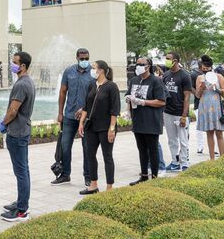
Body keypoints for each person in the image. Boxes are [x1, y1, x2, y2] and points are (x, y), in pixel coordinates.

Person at [0, 52, 36, 222]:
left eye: (14, 63)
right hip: (22, 131)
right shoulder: (28, 81)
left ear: (23, 66)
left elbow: (13, 110)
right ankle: (21, 202)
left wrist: (4, 123)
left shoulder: (22, 84)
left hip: (17, 133)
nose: (12, 65)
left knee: (21, 171)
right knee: (23, 170)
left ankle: (22, 210)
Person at [78, 60, 119, 194]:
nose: (91, 70)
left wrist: (111, 129)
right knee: (90, 154)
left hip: (105, 127)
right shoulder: (92, 85)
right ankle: (93, 185)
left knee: (107, 156)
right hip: (91, 127)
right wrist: (81, 123)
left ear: (100, 70)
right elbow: (86, 106)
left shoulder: (111, 86)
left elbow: (115, 110)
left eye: (93, 68)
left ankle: (109, 187)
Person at [53, 48, 93, 186]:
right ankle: (65, 174)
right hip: (69, 116)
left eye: (87, 58)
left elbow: (95, 95)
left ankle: (88, 176)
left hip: (86, 118)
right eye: (82, 59)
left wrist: (84, 109)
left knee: (87, 147)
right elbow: (63, 92)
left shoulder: (93, 72)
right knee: (65, 146)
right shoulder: (69, 71)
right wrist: (60, 113)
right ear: (76, 58)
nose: (84, 61)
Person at [126, 57, 166, 185]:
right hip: (138, 120)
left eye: (141, 64)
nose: (138, 66)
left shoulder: (156, 81)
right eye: (137, 64)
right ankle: (144, 176)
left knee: (152, 149)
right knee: (141, 149)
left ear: (148, 66)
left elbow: (161, 101)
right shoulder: (134, 80)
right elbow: (129, 95)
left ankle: (154, 178)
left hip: (151, 120)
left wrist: (143, 102)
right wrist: (128, 107)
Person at [162, 52, 192, 172]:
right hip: (168, 112)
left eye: (168, 59)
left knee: (183, 140)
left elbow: (187, 97)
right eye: (166, 58)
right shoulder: (166, 75)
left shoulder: (185, 75)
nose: (166, 61)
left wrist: (184, 116)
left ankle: (184, 162)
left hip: (180, 113)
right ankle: (175, 162)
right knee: (172, 139)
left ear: (176, 60)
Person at [195, 55, 224, 160]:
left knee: (219, 133)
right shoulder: (199, 78)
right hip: (205, 107)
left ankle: (222, 158)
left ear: (211, 67)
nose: (205, 70)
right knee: (209, 133)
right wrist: (201, 87)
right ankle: (212, 159)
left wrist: (217, 89)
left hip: (217, 107)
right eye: (203, 69)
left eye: (207, 68)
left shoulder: (219, 77)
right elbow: (197, 95)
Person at [190, 63, 206, 155]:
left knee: (212, 127)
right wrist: (198, 93)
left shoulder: (211, 73)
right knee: (199, 126)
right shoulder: (193, 75)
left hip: (210, 104)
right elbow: (190, 87)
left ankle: (212, 147)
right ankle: (200, 146)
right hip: (198, 104)